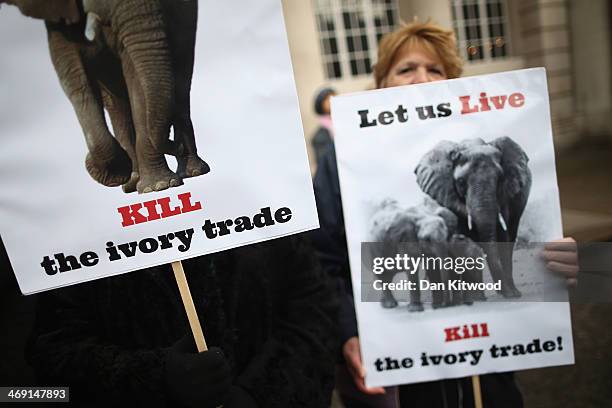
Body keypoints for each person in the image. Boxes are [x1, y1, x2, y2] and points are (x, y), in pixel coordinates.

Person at [312, 21, 580, 408]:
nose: (421, 79)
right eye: (405, 69)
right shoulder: (341, 161)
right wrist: (346, 333)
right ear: (381, 83)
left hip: (488, 369)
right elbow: (323, 261)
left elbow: (511, 241)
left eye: (435, 69)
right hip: (398, 369)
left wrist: (558, 263)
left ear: (452, 83)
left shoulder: (483, 151)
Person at [25, 234, 338, 408]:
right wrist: (153, 377)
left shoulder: (264, 197)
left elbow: (314, 304)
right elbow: (51, 349)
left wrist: (262, 392)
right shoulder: (70, 233)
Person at [311, 87, 337, 164]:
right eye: (327, 99)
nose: (331, 101)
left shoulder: (346, 123)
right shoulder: (319, 137)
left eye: (334, 97)